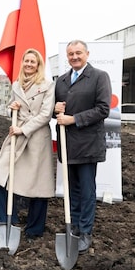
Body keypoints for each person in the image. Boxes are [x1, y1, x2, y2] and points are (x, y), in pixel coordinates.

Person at [0, 49, 55, 241]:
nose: (29, 64)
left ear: (38, 65)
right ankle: (6, 219)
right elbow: (13, 108)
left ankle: (35, 229)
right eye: (26, 61)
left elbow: (45, 114)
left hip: (36, 138)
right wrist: (12, 109)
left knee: (38, 184)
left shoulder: (47, 85)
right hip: (16, 137)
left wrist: (24, 129)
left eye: (33, 62)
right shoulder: (16, 84)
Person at [54, 40, 112, 254]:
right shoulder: (61, 81)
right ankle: (75, 226)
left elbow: (103, 108)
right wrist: (55, 109)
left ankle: (86, 231)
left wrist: (74, 119)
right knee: (72, 190)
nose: (74, 57)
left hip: (88, 145)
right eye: (70, 54)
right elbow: (57, 113)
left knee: (87, 190)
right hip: (68, 146)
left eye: (78, 53)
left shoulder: (99, 77)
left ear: (87, 54)